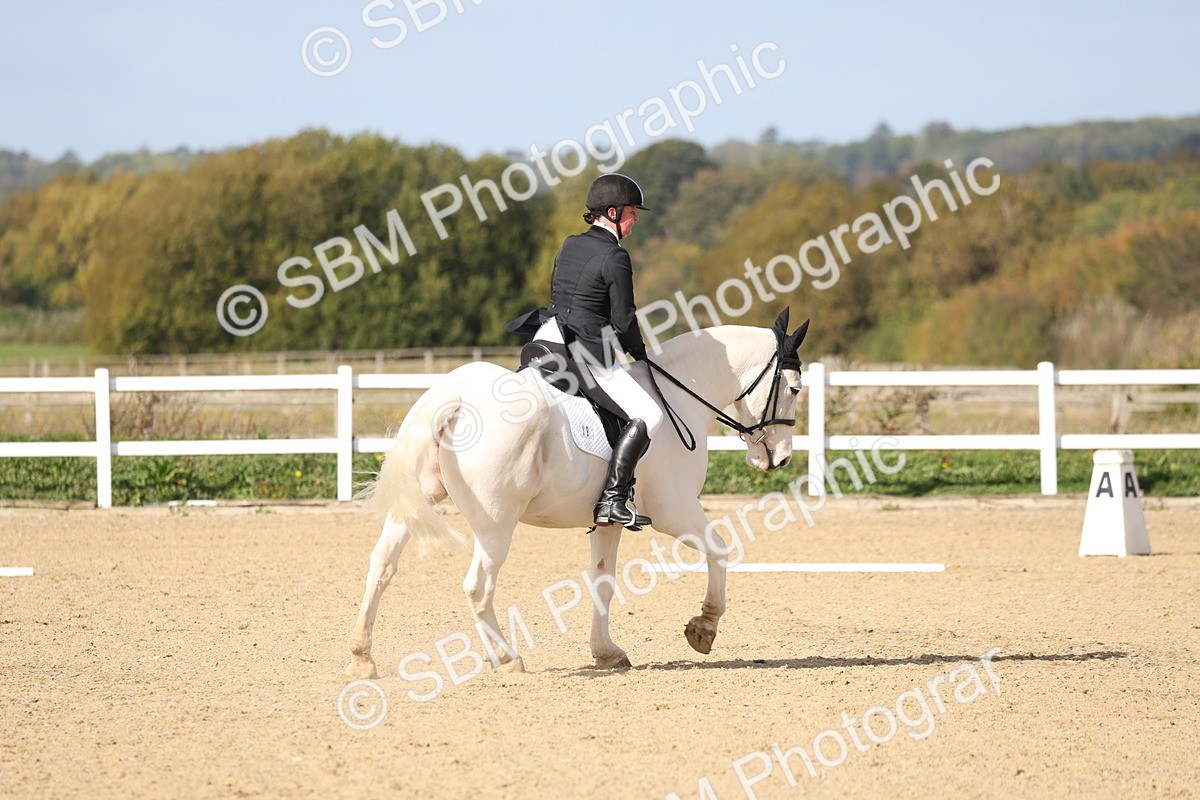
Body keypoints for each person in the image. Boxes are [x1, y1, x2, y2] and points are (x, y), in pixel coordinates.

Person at [509, 173, 664, 530]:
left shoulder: (569, 244)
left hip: (546, 339)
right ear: (612, 212)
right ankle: (613, 500)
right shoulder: (615, 256)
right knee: (649, 414)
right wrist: (639, 351)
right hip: (583, 352)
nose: (635, 218)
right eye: (631, 212)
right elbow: (624, 319)